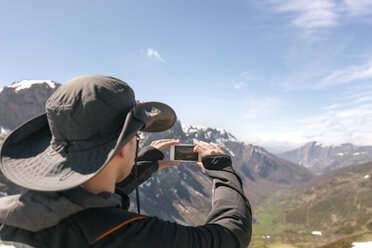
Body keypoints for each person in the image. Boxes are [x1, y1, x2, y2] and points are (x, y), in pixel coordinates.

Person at [0, 75, 252, 247]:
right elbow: (230, 235)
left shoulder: (10, 215)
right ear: (122, 149)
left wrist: (140, 165)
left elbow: (79, 204)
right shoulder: (131, 236)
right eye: (136, 136)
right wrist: (222, 170)